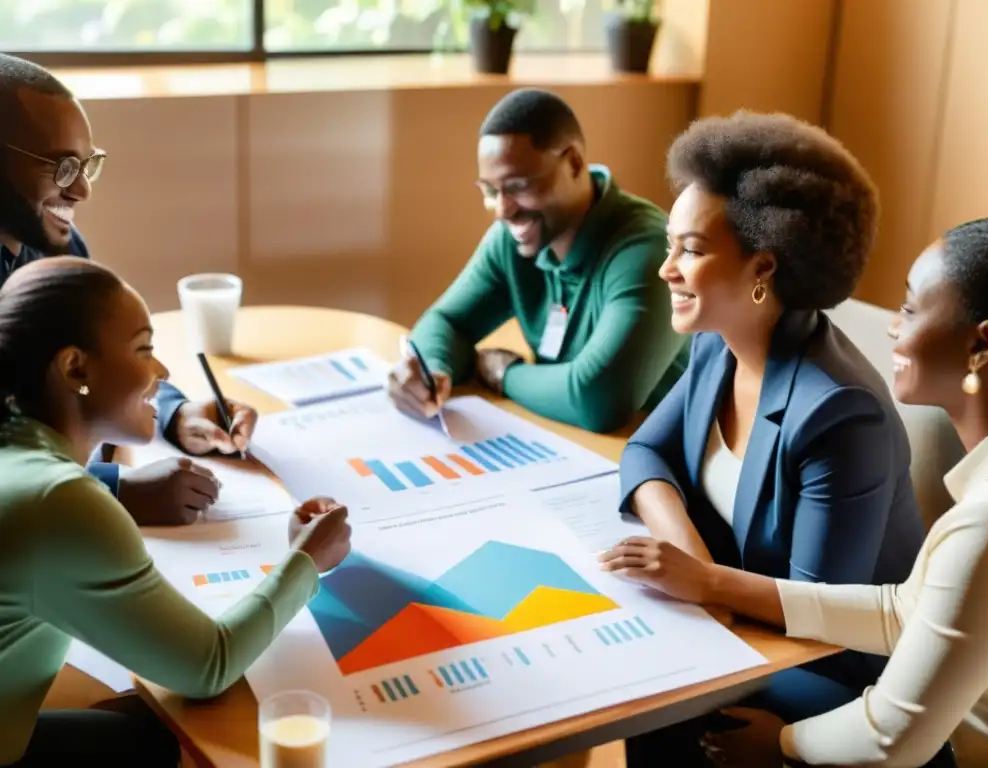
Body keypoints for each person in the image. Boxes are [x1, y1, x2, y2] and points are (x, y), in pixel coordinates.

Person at [601, 214, 988, 768]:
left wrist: (780, 743)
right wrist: (711, 580)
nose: (893, 329)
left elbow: (894, 739)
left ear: (981, 344)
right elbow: (903, 611)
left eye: (910, 308)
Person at [613, 111, 928, 765]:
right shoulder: (716, 347)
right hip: (742, 627)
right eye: (671, 245)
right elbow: (645, 452)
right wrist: (688, 553)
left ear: (763, 268)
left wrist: (704, 583)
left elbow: (823, 615)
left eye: (691, 251)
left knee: (640, 686)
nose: (666, 269)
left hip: (836, 680)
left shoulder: (841, 415)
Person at [0, 257, 353, 767]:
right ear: (75, 367)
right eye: (144, 349)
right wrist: (306, 560)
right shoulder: (60, 501)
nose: (161, 372)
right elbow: (207, 666)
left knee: (148, 738)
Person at [0, 52, 258, 526]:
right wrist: (114, 490)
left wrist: (172, 413)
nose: (82, 192)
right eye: (61, 169)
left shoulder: (56, 246)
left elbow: (103, 354)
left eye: (86, 165)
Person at [387, 88, 690, 433]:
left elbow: (598, 399)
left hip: (658, 458)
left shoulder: (647, 250)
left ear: (574, 163)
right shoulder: (514, 241)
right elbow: (446, 322)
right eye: (490, 191)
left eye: (518, 186)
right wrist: (432, 371)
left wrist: (503, 372)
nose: (503, 209)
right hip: (566, 441)